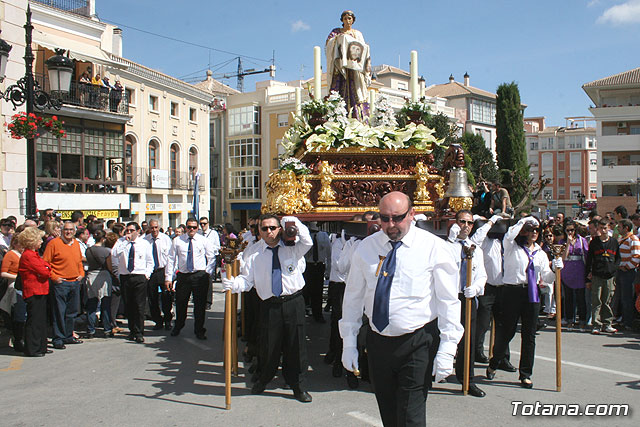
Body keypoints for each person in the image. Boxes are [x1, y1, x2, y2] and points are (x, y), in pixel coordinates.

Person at [340, 192, 462, 425]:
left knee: (411, 416)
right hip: (378, 341)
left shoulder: (433, 248)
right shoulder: (366, 248)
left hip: (416, 342)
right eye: (384, 219)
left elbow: (448, 301)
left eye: (397, 218)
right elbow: (353, 298)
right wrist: (349, 343)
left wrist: (448, 348)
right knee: (389, 412)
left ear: (412, 214)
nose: (390, 225)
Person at [223, 214, 313, 403]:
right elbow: (247, 280)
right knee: (268, 346)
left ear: (279, 228)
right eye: (264, 228)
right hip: (269, 305)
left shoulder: (293, 248)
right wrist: (233, 284)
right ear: (259, 232)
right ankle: (263, 379)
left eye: (273, 227)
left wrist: (294, 222)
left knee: (295, 346)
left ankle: (298, 386)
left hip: (293, 302)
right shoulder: (253, 253)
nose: (269, 232)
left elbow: (307, 241)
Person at [486, 216, 560, 389]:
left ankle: (525, 374)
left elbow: (546, 278)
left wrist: (556, 268)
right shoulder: (512, 247)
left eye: (536, 230)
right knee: (507, 332)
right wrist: (523, 221)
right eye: (530, 229)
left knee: (529, 335)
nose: (533, 233)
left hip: (532, 293)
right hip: (512, 291)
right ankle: (495, 361)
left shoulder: (540, 253)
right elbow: (509, 236)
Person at [447, 210, 487, 398]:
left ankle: (467, 379)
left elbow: (483, 275)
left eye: (469, 223)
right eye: (462, 221)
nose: (466, 226)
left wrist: (476, 287)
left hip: (467, 297)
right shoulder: (447, 247)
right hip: (448, 298)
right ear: (456, 223)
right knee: (441, 336)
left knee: (467, 340)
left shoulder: (475, 249)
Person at [165, 218, 216, 339]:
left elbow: (211, 258)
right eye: (189, 227)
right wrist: (168, 278)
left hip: (199, 275)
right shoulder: (177, 241)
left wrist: (207, 273)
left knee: (199, 305)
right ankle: (178, 326)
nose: (191, 229)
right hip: (184, 276)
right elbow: (171, 259)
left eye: (194, 227)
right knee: (181, 303)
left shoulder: (203, 241)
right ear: (185, 228)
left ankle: (199, 330)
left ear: (197, 228)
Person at [43, 222, 85, 350]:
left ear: (74, 231)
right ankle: (58, 338)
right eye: (66, 230)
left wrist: (81, 273)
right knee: (59, 312)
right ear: (62, 230)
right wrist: (54, 277)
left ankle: (68, 335)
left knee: (72, 312)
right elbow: (45, 263)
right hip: (61, 283)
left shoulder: (76, 243)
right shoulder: (53, 243)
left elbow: (78, 261)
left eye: (71, 230)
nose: (68, 232)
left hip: (74, 282)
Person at [325, 10, 371, 121]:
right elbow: (328, 46)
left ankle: (358, 118)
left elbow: (363, 50)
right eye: (345, 18)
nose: (347, 21)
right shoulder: (335, 32)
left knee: (357, 92)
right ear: (342, 20)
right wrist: (338, 39)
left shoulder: (357, 34)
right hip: (340, 68)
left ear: (353, 20)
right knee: (338, 90)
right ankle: (337, 116)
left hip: (354, 69)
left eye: (349, 18)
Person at [111, 222, 153, 343]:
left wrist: (147, 274)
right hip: (125, 276)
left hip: (139, 276)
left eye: (131, 230)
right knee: (129, 304)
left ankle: (139, 331)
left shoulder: (144, 243)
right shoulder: (121, 242)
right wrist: (125, 242)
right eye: (127, 230)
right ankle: (132, 330)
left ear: (138, 231)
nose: (129, 233)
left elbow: (150, 261)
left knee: (139, 305)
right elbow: (114, 254)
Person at [18, 227, 51, 357]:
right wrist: (46, 268)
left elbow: (46, 268)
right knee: (35, 321)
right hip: (34, 291)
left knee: (41, 320)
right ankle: (33, 348)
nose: (41, 242)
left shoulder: (34, 254)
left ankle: (41, 346)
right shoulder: (28, 255)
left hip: (41, 290)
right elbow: (44, 271)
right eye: (39, 240)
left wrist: (46, 268)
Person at [144, 219, 173, 330]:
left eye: (156, 227)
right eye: (152, 228)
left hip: (163, 270)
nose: (154, 230)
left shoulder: (166, 239)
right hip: (151, 272)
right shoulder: (145, 240)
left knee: (166, 297)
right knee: (152, 298)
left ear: (159, 227)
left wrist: (169, 275)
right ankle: (157, 320)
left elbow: (170, 257)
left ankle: (168, 320)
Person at [560, 220, 589, 330]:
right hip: (568, 270)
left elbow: (586, 254)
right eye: (567, 230)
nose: (570, 232)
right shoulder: (563, 241)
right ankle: (569, 320)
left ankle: (582, 320)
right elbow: (563, 257)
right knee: (569, 297)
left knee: (581, 297)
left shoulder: (582, 241)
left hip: (579, 269)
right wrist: (568, 242)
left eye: (572, 230)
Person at [84, 230, 113, 338]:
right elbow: (109, 266)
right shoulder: (106, 251)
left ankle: (90, 329)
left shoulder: (88, 250)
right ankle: (107, 328)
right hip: (103, 275)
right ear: (103, 239)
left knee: (92, 303)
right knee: (105, 303)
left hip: (91, 275)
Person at [0, 229, 24, 352]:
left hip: (23, 285)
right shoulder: (10, 254)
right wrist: (17, 277)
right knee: (16, 314)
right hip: (14, 285)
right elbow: (3, 272)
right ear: (15, 243)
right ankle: (16, 338)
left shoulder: (23, 254)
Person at [303, 222, 331, 323]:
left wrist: (328, 270)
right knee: (305, 290)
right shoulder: (305, 236)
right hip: (307, 266)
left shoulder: (323, 235)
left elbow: (328, 254)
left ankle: (318, 315)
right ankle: (305, 311)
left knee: (318, 291)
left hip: (319, 265)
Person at [615, 219, 639, 330]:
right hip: (621, 271)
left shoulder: (633, 239)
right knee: (622, 297)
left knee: (627, 298)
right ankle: (624, 319)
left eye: (620, 227)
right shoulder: (622, 239)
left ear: (626, 228)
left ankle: (628, 322)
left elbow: (636, 257)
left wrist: (626, 267)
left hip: (628, 272)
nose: (618, 229)